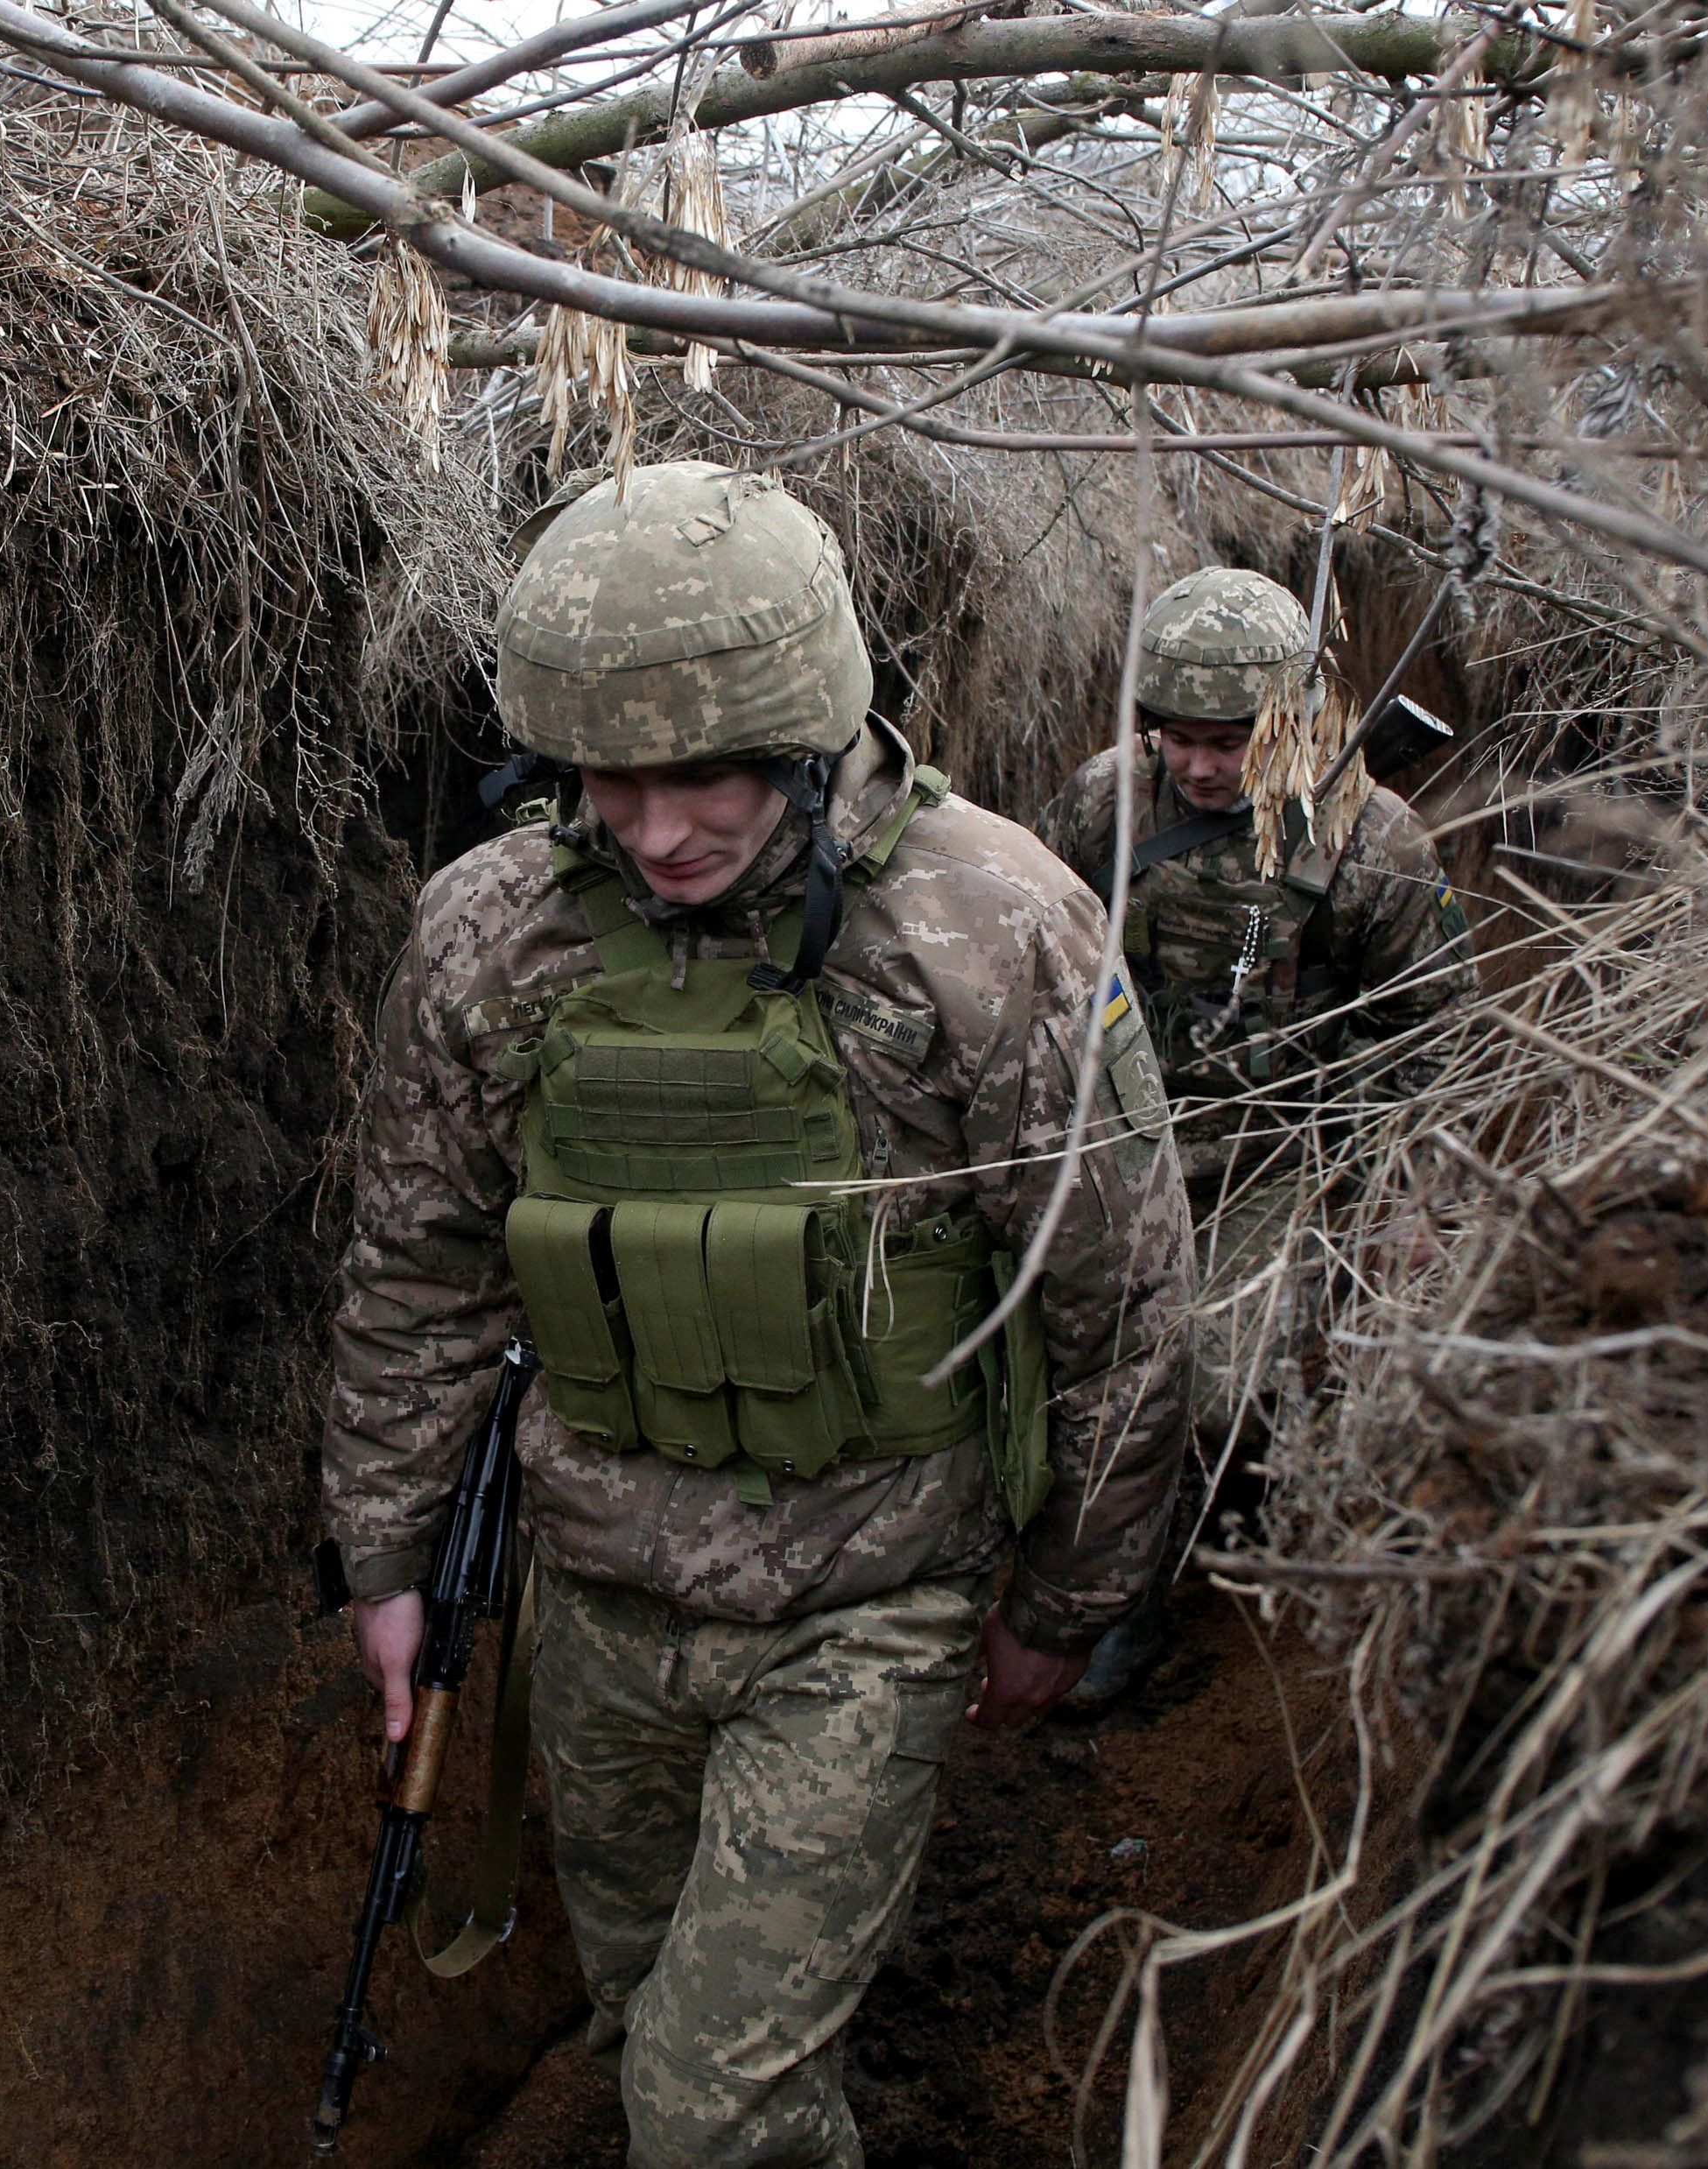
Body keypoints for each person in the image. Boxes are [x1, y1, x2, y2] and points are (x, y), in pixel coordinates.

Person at [322, 461, 1194, 2169]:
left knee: (709, 2113)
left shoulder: (992, 923)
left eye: (706, 774)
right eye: (613, 778)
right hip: (594, 1594)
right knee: (647, 2009)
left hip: (868, 1599)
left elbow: (1116, 1293)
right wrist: (387, 1562)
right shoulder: (486, 936)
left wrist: (1071, 1596)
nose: (659, 831)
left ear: (805, 730)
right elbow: (420, 1268)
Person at [1031, 567, 1475, 1708]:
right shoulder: (1103, 803)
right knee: (1067, 1359)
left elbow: (1434, 1038)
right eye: (1178, 737)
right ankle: (1063, 1562)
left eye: (1229, 740)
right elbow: (1037, 952)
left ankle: (1163, 1588)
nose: (1200, 763)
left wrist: (1397, 1195)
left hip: (1279, 1153)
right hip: (1125, 1134)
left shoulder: (1375, 840)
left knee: (1207, 1384)